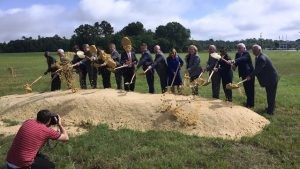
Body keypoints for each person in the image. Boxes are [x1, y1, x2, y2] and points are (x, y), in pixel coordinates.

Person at [247, 44, 279, 114]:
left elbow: (258, 69)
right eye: (252, 50)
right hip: (269, 79)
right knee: (270, 94)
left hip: (271, 79)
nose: (253, 52)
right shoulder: (258, 57)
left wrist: (250, 76)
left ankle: (270, 111)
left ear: (259, 50)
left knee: (271, 95)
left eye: (254, 50)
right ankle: (271, 107)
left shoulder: (261, 58)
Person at [232, 43, 255, 108]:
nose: (238, 49)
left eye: (240, 48)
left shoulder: (247, 54)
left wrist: (234, 61)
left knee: (250, 89)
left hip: (249, 74)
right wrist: (233, 65)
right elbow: (236, 63)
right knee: (246, 89)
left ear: (244, 48)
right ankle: (248, 102)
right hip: (243, 74)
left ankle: (251, 104)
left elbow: (242, 59)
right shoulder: (237, 54)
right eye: (238, 48)